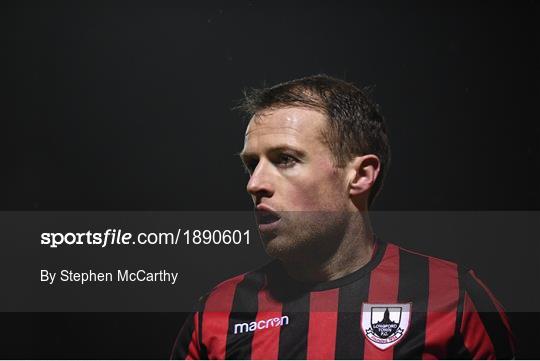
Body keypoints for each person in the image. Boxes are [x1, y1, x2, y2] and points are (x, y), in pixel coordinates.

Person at [171, 75, 514, 359]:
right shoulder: (218, 312)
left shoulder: (453, 296)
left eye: (285, 159)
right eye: (251, 165)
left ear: (361, 175)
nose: (254, 184)